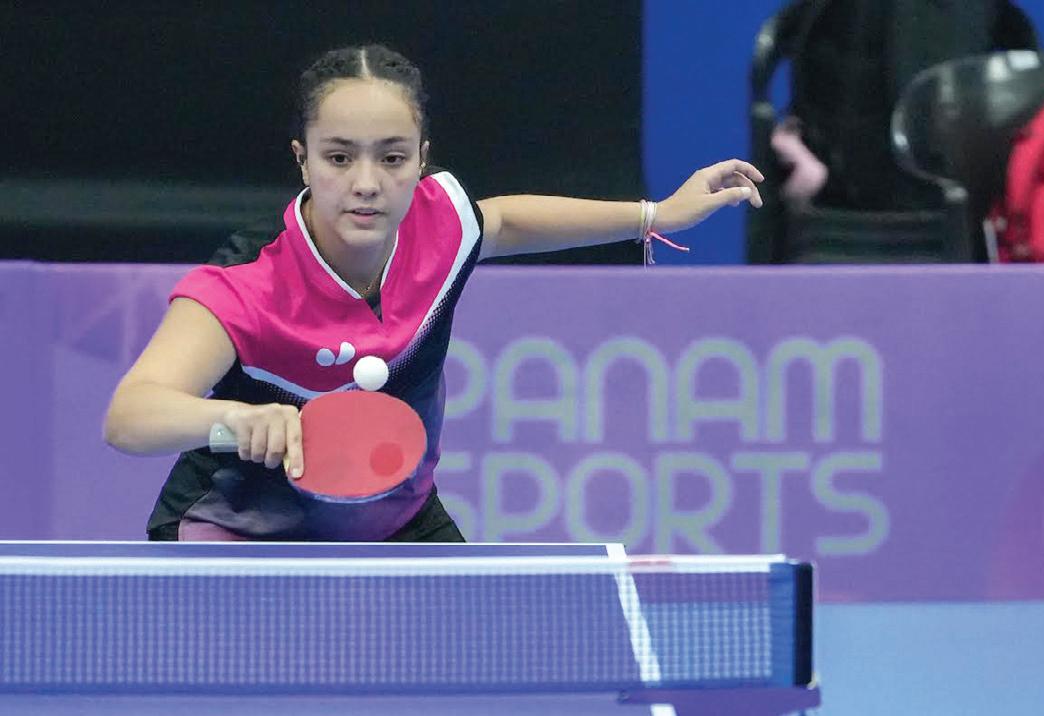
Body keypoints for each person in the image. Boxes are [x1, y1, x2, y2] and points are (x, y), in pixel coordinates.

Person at [103, 44, 763, 542]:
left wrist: (656, 214)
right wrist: (233, 420)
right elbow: (130, 416)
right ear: (302, 158)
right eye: (339, 157)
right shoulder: (251, 281)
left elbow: (501, 221)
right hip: (238, 535)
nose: (366, 183)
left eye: (392, 157)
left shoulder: (439, 221)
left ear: (422, 157)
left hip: (397, 521)